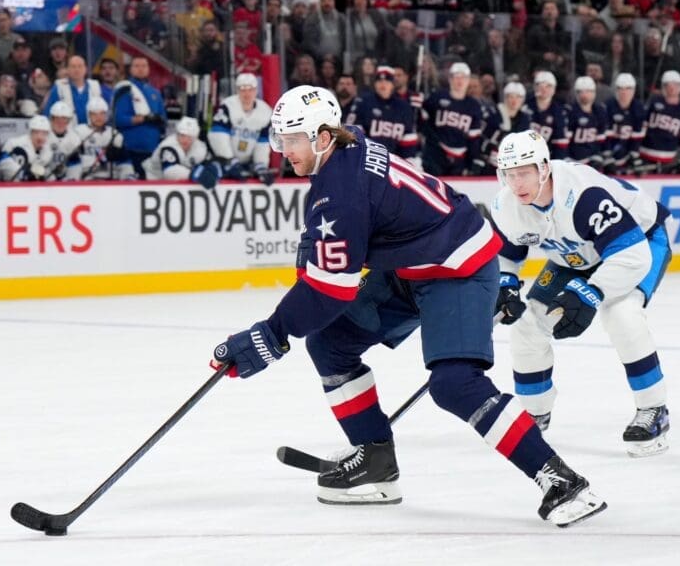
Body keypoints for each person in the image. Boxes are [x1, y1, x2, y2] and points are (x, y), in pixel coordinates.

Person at [210, 85, 607, 527]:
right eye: (280, 140)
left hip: (457, 268)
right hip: (414, 261)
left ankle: (561, 480)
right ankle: (376, 462)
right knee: (330, 343)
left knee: (454, 384)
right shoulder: (348, 143)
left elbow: (330, 291)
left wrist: (271, 335)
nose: (283, 150)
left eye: (291, 140)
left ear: (323, 138)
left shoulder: (340, 190)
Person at [490, 129, 671, 458]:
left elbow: (632, 256)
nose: (516, 184)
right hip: (573, 255)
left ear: (544, 168)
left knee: (621, 314)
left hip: (638, 242)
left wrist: (591, 291)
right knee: (528, 323)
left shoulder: (583, 194)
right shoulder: (507, 203)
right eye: (509, 174)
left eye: (524, 173)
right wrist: (506, 283)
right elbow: (508, 252)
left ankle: (653, 409)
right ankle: (535, 413)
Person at [419, 62, 484, 176]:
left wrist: (474, 159)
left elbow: (473, 138)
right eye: (456, 77)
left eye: (463, 77)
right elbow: (422, 121)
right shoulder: (437, 97)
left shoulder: (474, 106)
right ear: (450, 79)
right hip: (434, 154)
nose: (459, 81)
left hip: (459, 158)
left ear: (468, 80)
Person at [208, 73, 274, 184]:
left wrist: (261, 165)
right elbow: (218, 135)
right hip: (222, 161)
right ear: (237, 90)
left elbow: (263, 142)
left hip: (246, 163)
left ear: (256, 90)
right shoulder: (227, 106)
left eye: (250, 89)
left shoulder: (266, 112)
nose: (247, 94)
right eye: (243, 90)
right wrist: (228, 160)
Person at [143, 116, 218, 188]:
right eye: (182, 135)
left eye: (189, 137)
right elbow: (169, 171)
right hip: (152, 180)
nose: (185, 140)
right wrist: (193, 174)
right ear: (177, 134)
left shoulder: (200, 147)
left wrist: (212, 169)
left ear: (195, 138)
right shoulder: (168, 145)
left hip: (176, 185)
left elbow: (207, 163)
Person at [74, 97, 131, 180]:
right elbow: (75, 162)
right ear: (89, 115)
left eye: (102, 113)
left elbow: (124, 162)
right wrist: (102, 158)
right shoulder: (79, 133)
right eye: (94, 114)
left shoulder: (114, 134)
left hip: (112, 179)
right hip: (88, 179)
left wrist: (128, 176)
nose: (99, 117)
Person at [3, 115, 54, 181]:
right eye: (36, 132)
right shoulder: (14, 144)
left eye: (44, 133)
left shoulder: (48, 150)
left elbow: (47, 174)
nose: (40, 137)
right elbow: (5, 171)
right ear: (30, 132)